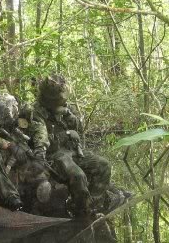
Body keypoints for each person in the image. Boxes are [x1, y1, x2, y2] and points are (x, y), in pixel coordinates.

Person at [31, 75, 129, 216]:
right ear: (50, 98)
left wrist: (70, 117)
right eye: (60, 97)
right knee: (78, 176)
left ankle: (95, 203)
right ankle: (84, 212)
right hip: (53, 155)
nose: (64, 100)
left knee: (104, 165)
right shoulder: (37, 113)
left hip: (73, 152)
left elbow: (80, 132)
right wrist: (66, 134)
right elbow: (40, 142)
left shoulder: (66, 108)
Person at [0, 92, 48, 211]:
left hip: (24, 152)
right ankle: (10, 197)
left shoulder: (25, 111)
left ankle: (34, 207)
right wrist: (7, 144)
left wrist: (40, 152)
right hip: (3, 150)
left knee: (40, 180)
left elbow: (40, 130)